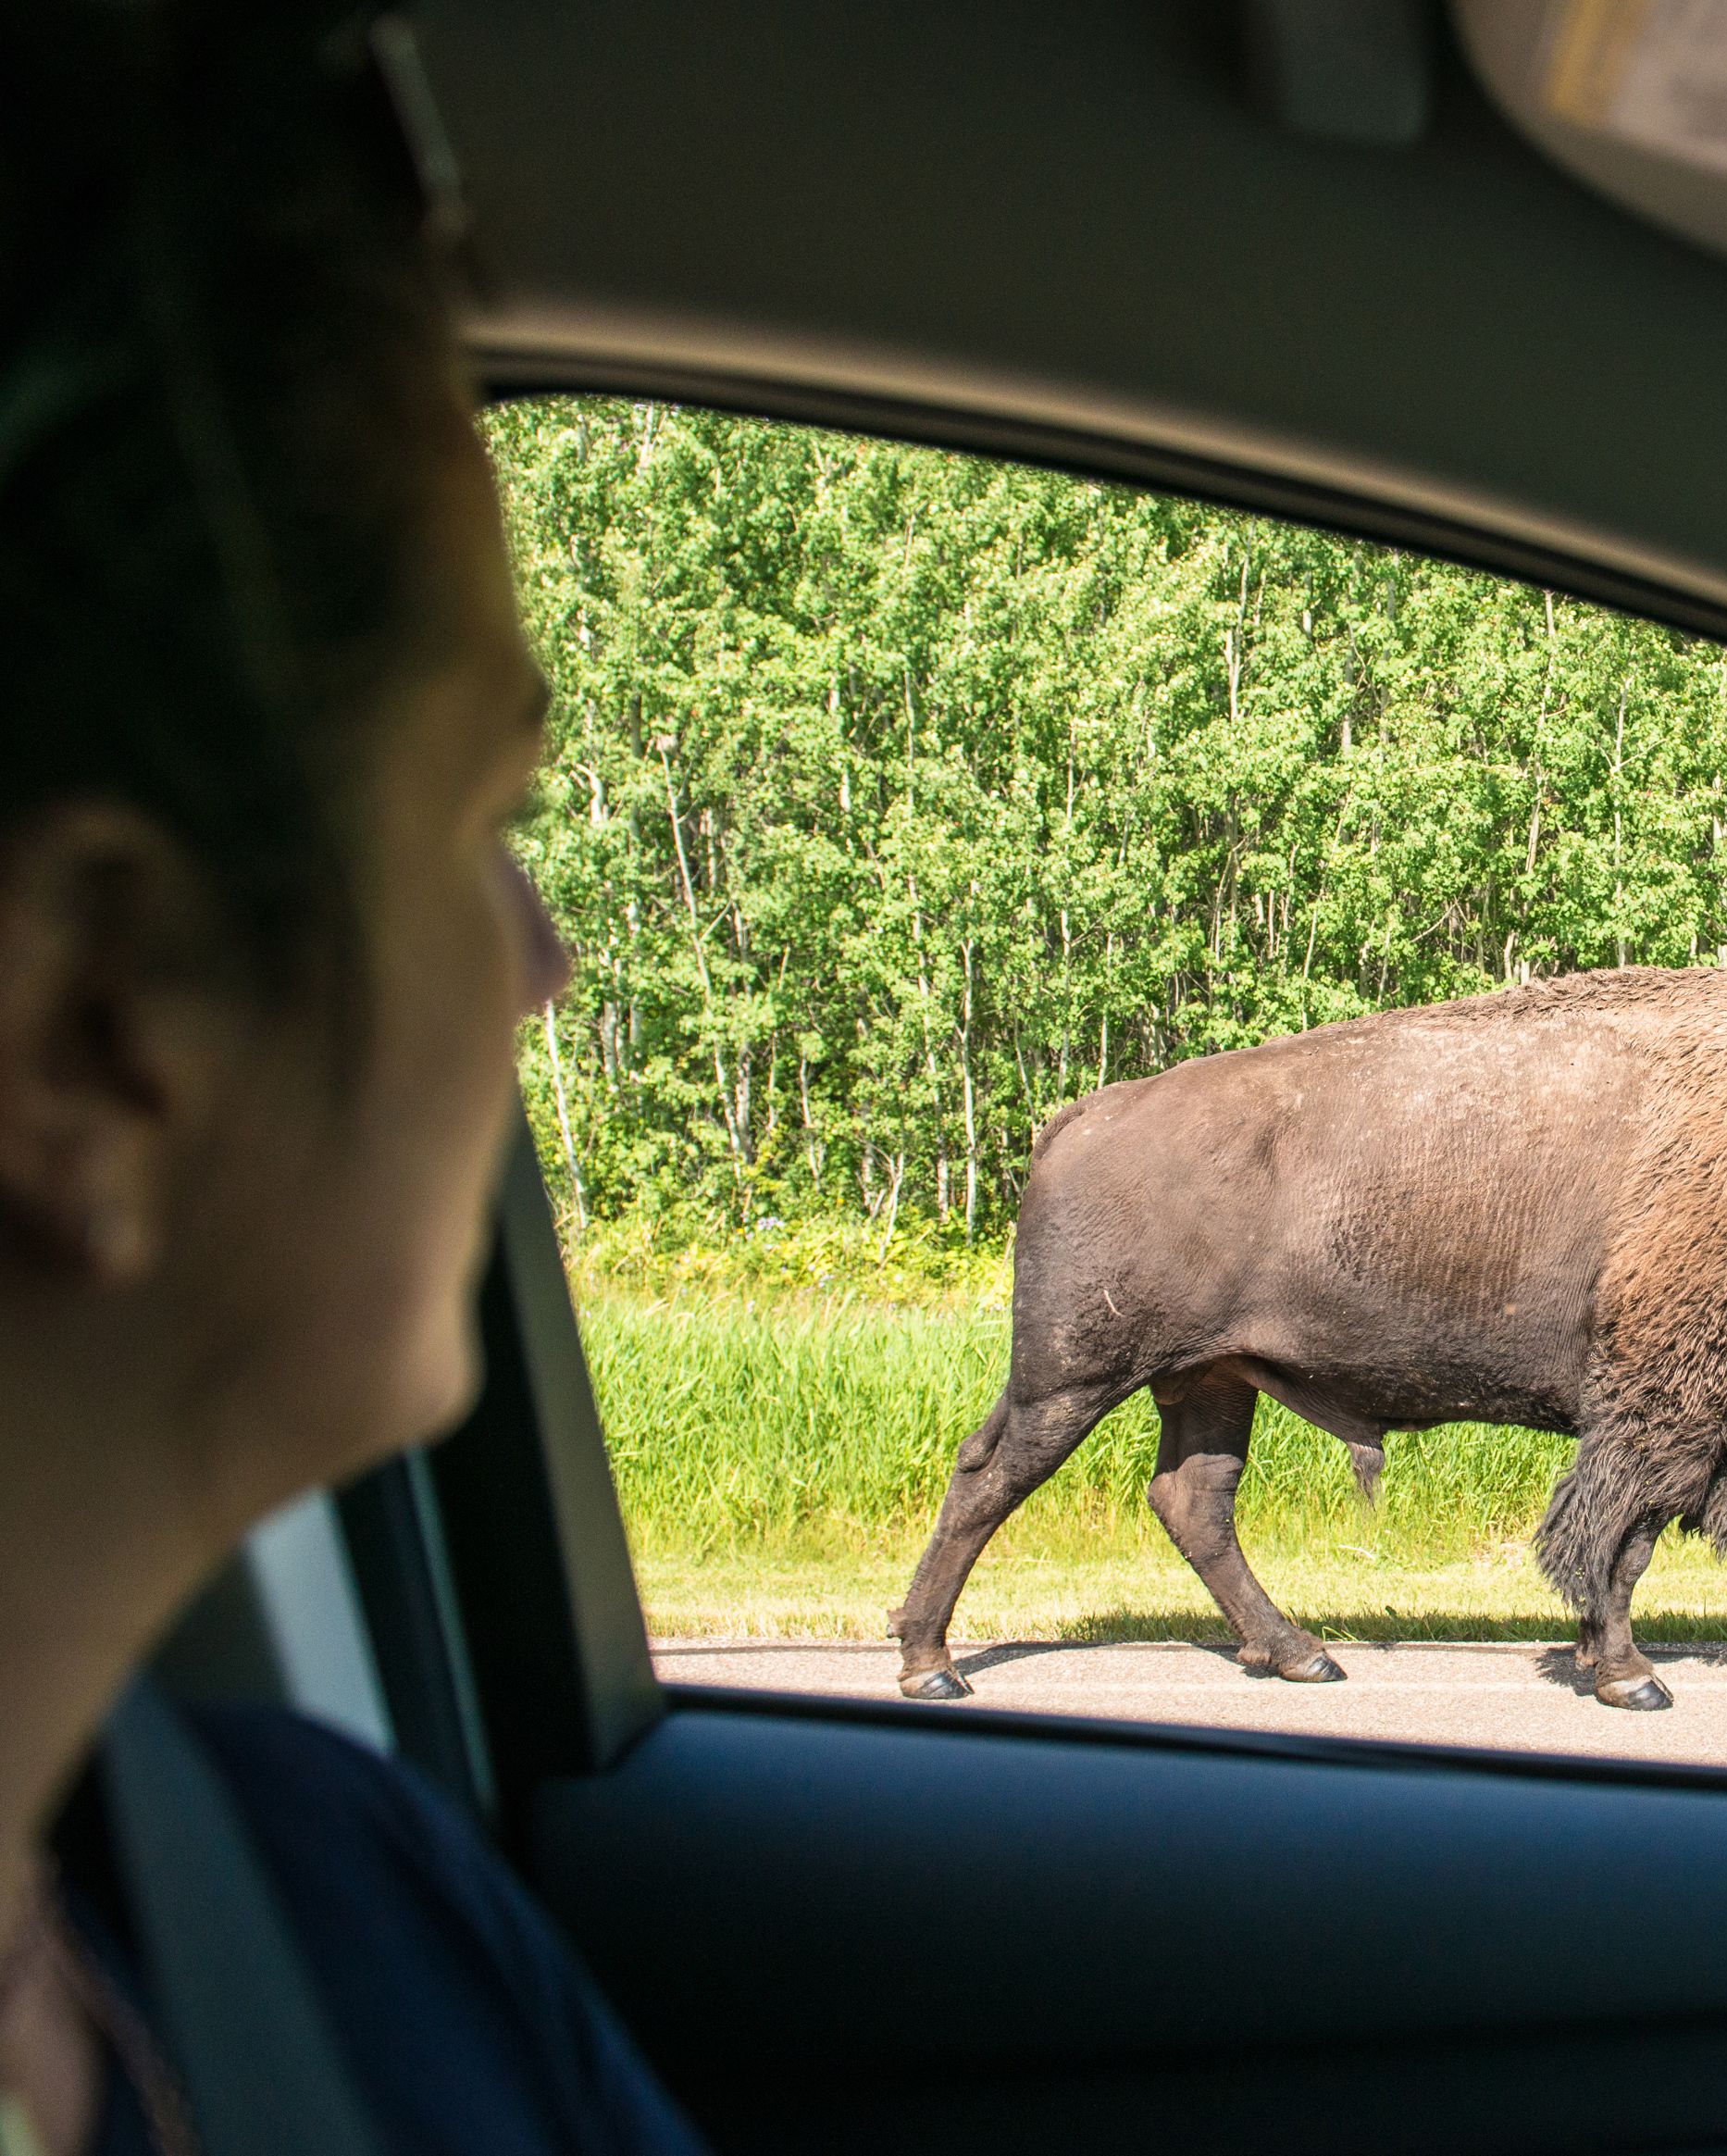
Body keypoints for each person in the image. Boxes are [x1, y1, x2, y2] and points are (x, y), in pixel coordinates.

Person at [0, 6, 706, 2150]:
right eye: (478, 822)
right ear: (96, 1028)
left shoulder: (323, 1884)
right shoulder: (337, 1925)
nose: (544, 966)